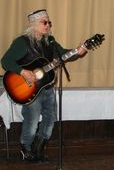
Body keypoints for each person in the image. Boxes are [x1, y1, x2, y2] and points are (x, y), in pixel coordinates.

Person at [1, 9, 87, 162]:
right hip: (28, 88)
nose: (48, 25)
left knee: (50, 118)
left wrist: (77, 52)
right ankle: (26, 149)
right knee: (32, 121)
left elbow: (63, 55)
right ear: (33, 24)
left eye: (49, 22)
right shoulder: (22, 42)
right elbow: (6, 61)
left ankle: (37, 149)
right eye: (44, 22)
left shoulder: (50, 41)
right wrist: (23, 72)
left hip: (46, 88)